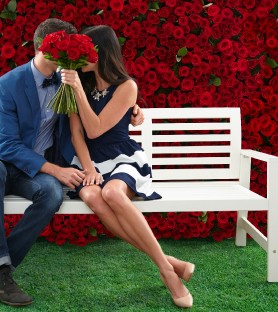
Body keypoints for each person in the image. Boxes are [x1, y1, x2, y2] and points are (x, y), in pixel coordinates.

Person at [0, 19, 145, 306]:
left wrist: (133, 111)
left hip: (33, 170)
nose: (75, 55)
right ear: (51, 48)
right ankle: (1, 273)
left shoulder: (69, 81)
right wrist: (55, 169)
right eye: (70, 48)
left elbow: (102, 101)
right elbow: (6, 145)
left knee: (50, 193)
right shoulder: (6, 85)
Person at [60, 25, 194, 308]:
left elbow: (95, 129)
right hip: (88, 161)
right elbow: (78, 135)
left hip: (123, 158)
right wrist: (88, 169)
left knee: (112, 194)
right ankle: (168, 262)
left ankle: (167, 273)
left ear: (99, 52)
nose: (79, 57)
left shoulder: (127, 86)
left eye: (85, 50)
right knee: (93, 195)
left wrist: (76, 90)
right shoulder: (77, 86)